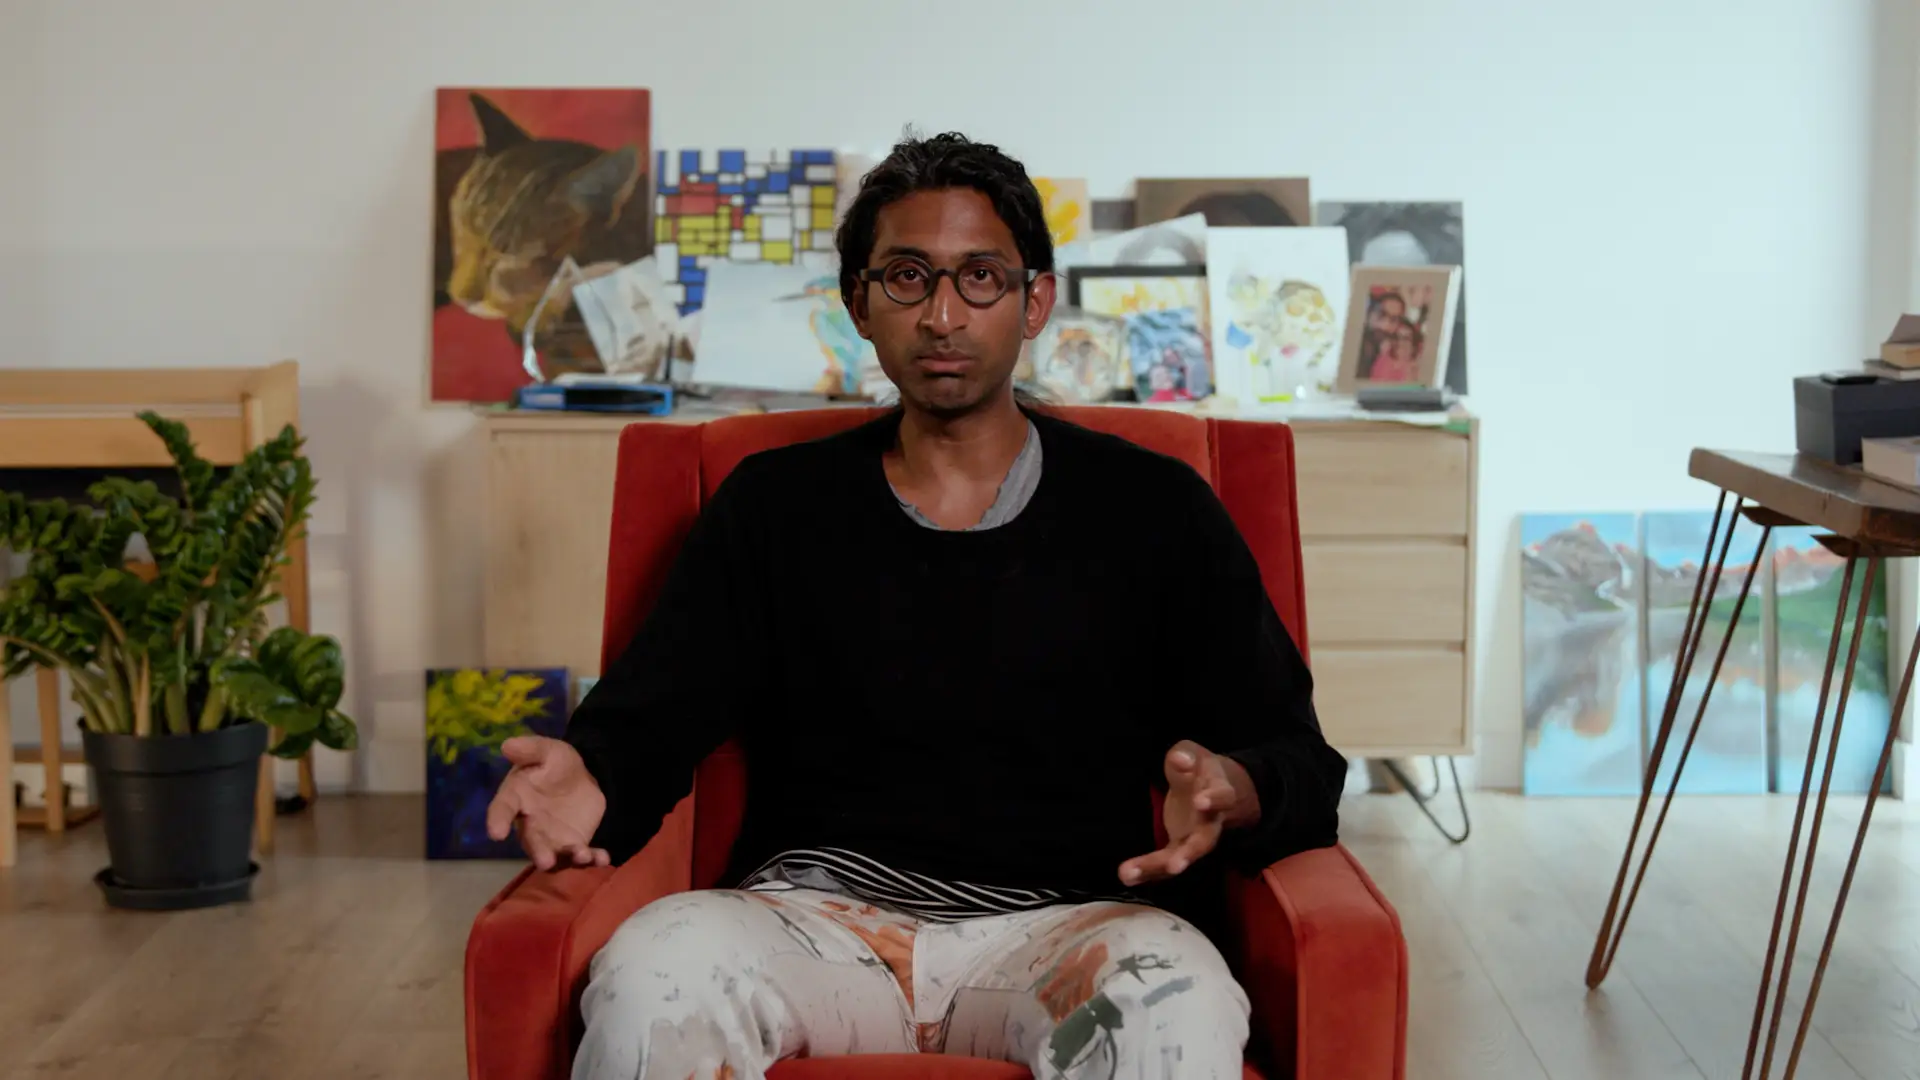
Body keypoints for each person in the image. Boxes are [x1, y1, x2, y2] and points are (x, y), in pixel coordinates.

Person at [484, 131, 1347, 1080]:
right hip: (810, 930)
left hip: (1065, 938)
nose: (943, 314)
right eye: (906, 277)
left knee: (1173, 996)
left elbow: (1300, 757)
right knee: (652, 974)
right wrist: (591, 774)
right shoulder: (774, 506)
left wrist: (1240, 786)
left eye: (981, 277)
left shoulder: (1156, 508)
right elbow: (656, 715)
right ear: (858, 302)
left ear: (1035, 302)